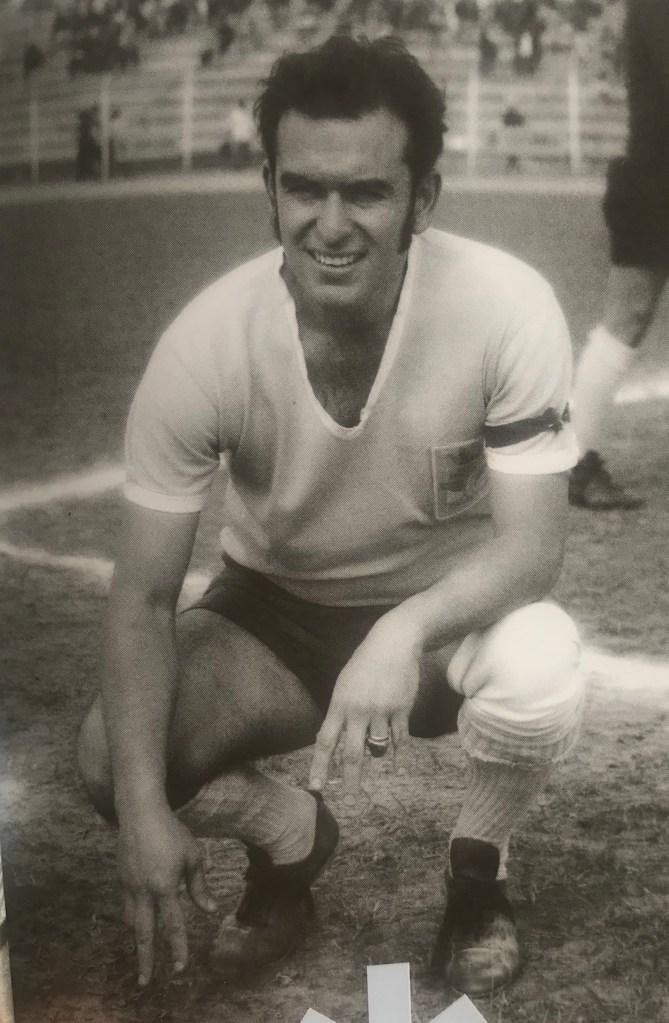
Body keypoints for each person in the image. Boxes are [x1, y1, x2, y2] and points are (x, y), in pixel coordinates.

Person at [77, 35, 584, 998]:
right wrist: (142, 810)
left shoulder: (507, 306)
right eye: (305, 188)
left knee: (542, 663)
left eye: (367, 192)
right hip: (275, 618)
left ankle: (478, 867)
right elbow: (141, 598)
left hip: (445, 618)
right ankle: (290, 839)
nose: (332, 224)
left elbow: (531, 548)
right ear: (269, 188)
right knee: (113, 757)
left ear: (422, 198)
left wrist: (404, 628)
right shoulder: (205, 344)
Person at [569, 0, 669, 510]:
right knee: (626, 319)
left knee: (626, 320)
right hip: (657, 180)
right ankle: (573, 460)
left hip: (653, 179)